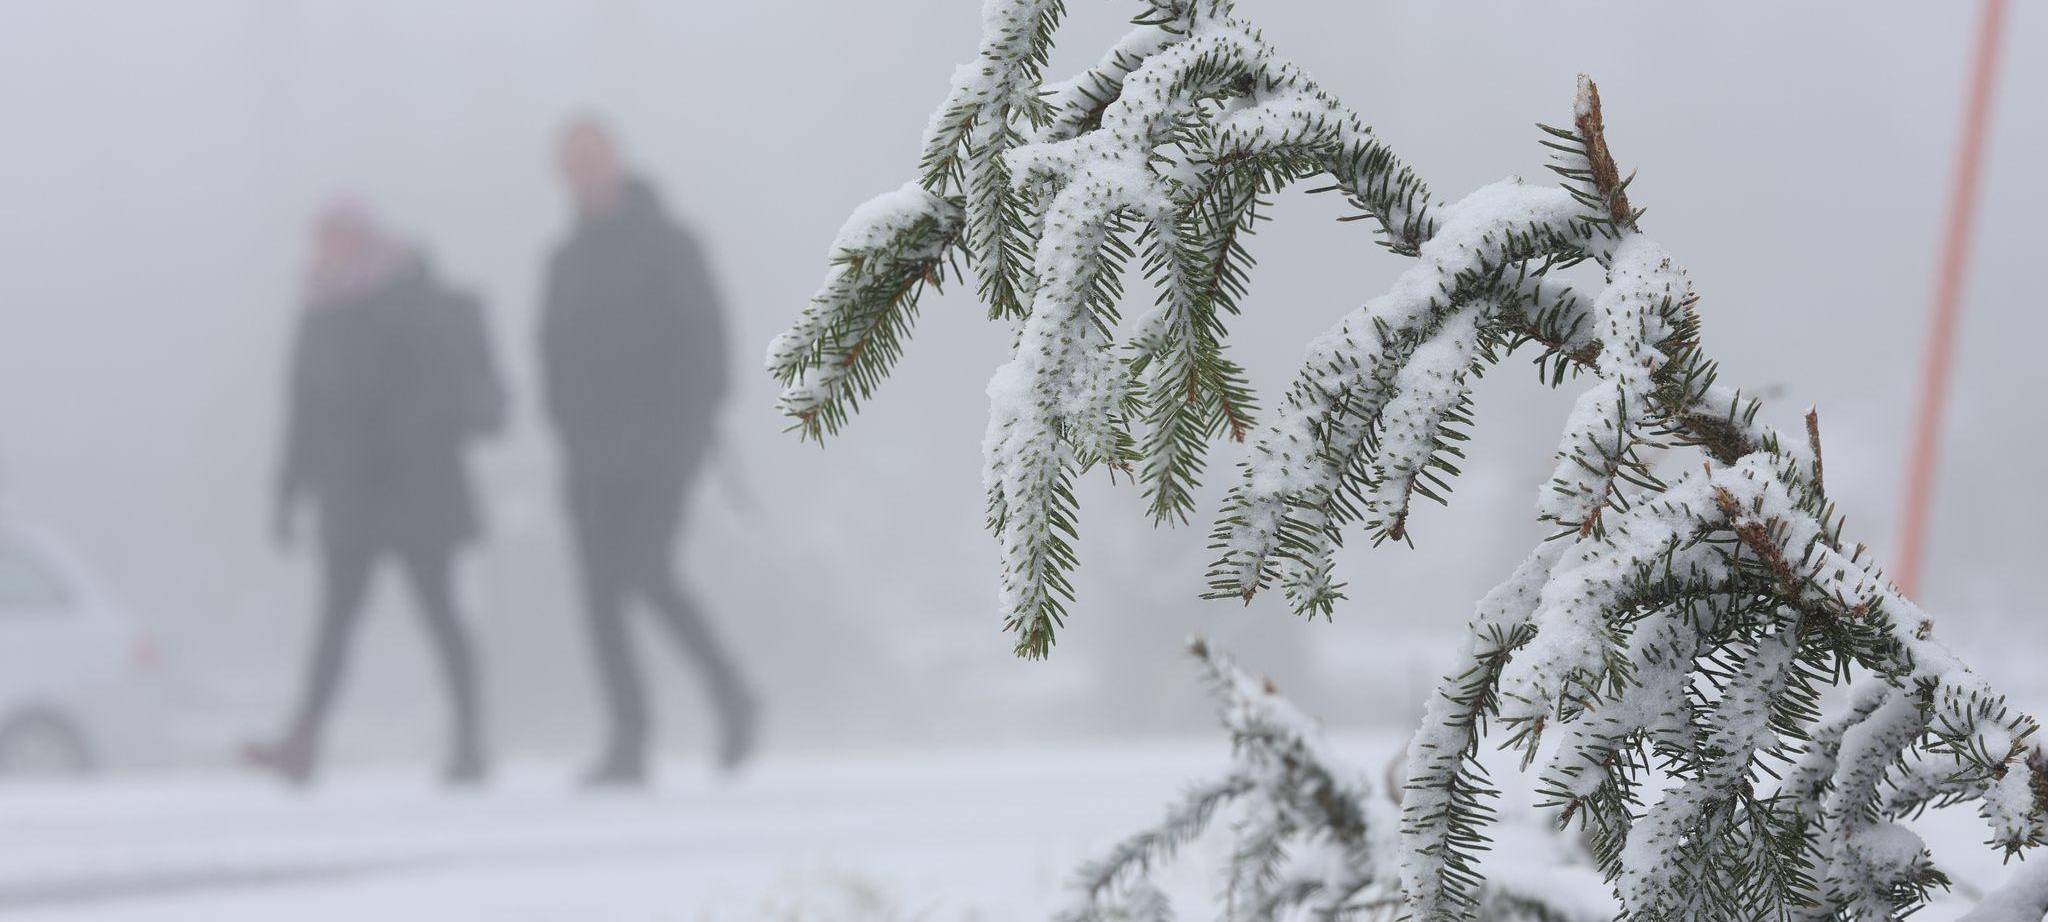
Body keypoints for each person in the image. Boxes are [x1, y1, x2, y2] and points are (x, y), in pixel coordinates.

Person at [250, 201, 504, 786]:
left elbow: (439, 390)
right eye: (322, 240)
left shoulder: (415, 297)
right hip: (351, 494)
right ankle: (305, 739)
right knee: (335, 624)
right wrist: (288, 493)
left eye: (337, 238)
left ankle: (470, 738)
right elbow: (304, 413)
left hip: (417, 490)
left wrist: (398, 435)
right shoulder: (318, 313)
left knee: (440, 616)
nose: (327, 249)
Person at [541, 118, 755, 786]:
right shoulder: (565, 259)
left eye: (591, 160)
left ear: (616, 163)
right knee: (599, 598)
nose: (582, 174)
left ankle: (731, 692)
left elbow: (708, 343)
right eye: (570, 164)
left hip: (663, 448)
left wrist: (686, 428)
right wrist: (568, 429)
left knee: (645, 572)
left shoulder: (669, 244)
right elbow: (550, 353)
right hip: (589, 455)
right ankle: (629, 739)